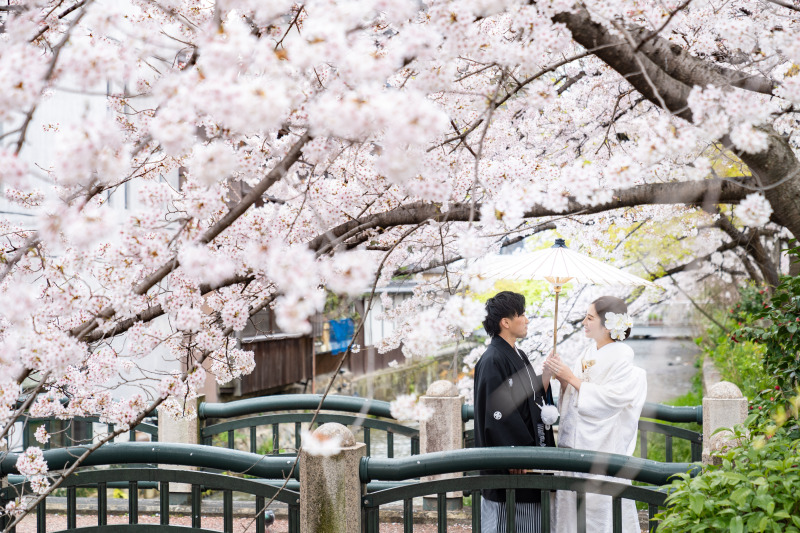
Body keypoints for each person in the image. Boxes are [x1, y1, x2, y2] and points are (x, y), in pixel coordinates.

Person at [544, 296, 647, 533]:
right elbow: (577, 389)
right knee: (571, 507)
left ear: (608, 324)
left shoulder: (622, 356)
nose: (584, 322)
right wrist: (561, 377)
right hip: (576, 440)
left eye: (590, 318)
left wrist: (571, 378)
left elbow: (612, 400)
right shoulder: (589, 350)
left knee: (600, 511)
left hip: (602, 445)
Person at [474, 291, 556, 533]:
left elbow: (527, 399)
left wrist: (546, 376)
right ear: (505, 322)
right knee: (507, 522)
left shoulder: (518, 354)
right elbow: (496, 412)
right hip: (513, 462)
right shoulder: (492, 360)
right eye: (521, 314)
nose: (527, 319)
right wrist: (514, 454)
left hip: (527, 458)